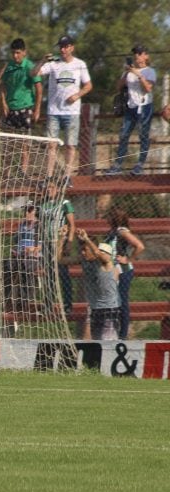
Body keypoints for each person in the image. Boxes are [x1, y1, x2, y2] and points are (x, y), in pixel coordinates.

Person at [31, 35, 93, 181]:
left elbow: (89, 85)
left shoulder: (80, 64)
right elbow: (33, 73)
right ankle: (49, 176)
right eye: (61, 46)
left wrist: (77, 95)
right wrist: (42, 61)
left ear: (72, 47)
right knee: (51, 145)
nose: (63, 49)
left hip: (72, 112)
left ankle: (66, 176)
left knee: (70, 145)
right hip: (54, 111)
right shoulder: (54, 63)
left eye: (66, 46)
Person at [104, 45, 157, 176]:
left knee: (143, 135)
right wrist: (127, 72)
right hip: (130, 106)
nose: (137, 56)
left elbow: (148, 88)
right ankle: (118, 165)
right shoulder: (128, 72)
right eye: (135, 54)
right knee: (123, 134)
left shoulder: (150, 71)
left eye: (140, 53)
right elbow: (118, 87)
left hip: (144, 106)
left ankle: (140, 164)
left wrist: (138, 74)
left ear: (146, 56)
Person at [63, 228, 120, 340]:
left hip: (109, 309)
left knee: (108, 345)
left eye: (85, 250)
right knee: (96, 343)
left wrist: (86, 239)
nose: (83, 253)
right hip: (95, 309)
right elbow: (60, 260)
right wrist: (60, 238)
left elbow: (99, 254)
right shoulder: (84, 260)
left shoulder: (106, 262)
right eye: (81, 250)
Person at [0, 38, 43, 177]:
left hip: (25, 108)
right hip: (11, 109)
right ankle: (6, 172)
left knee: (25, 142)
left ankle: (23, 172)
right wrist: (4, 103)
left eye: (18, 53)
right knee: (8, 143)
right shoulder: (9, 67)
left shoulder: (30, 67)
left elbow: (39, 89)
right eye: (13, 53)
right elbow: (2, 86)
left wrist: (37, 109)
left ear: (24, 52)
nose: (15, 56)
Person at [104, 207, 145, 340]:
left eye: (109, 217)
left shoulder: (122, 231)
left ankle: (123, 334)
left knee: (122, 301)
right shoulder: (112, 232)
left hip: (123, 271)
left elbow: (139, 246)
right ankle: (115, 330)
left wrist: (128, 259)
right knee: (114, 301)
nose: (106, 219)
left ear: (114, 218)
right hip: (113, 271)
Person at [39, 181, 76, 314]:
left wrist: (69, 242)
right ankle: (48, 304)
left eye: (51, 187)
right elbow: (40, 225)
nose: (49, 190)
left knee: (63, 273)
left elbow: (72, 224)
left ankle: (67, 304)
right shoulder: (42, 205)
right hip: (46, 244)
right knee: (48, 275)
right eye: (47, 187)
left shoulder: (64, 203)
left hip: (59, 243)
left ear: (58, 189)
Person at [2, 202, 41, 313]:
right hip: (20, 255)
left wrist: (31, 250)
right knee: (7, 265)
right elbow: (17, 242)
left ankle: (25, 300)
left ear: (35, 212)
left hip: (32, 257)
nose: (27, 213)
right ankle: (8, 299)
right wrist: (15, 250)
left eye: (30, 210)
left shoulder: (39, 226)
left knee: (25, 267)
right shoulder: (21, 225)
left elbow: (41, 246)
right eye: (26, 210)